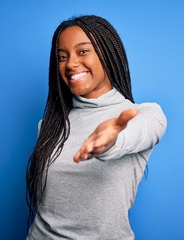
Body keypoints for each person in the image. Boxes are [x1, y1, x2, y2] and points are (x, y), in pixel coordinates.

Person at [26, 15, 167, 239]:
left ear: (108, 54)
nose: (71, 64)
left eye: (83, 51)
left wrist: (111, 141)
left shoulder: (143, 116)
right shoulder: (49, 127)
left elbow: (136, 134)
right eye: (62, 57)